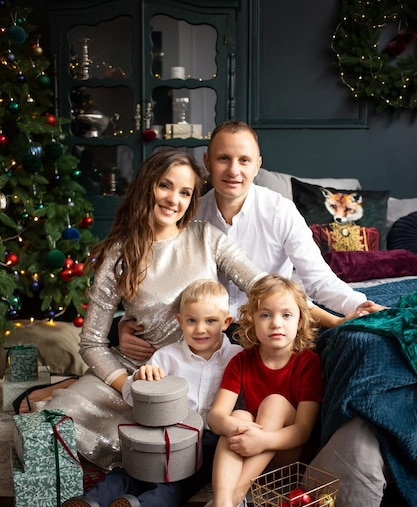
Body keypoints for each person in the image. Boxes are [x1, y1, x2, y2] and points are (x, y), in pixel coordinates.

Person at [41, 149, 265, 471]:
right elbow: (91, 342)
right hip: (135, 373)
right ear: (148, 184)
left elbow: (262, 286)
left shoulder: (206, 238)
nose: (174, 199)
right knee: (60, 419)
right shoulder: (118, 255)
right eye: (165, 185)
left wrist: (330, 316)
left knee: (174, 437)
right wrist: (131, 387)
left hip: (192, 370)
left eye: (185, 192)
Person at [117, 120, 383, 362]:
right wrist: (123, 323)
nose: (234, 170)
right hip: (204, 331)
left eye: (244, 160)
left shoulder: (281, 211)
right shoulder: (188, 212)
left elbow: (318, 278)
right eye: (223, 158)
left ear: (257, 165)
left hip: (269, 326)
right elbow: (157, 276)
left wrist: (357, 305)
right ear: (208, 162)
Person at [44, 279, 248, 507]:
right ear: (179, 321)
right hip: (160, 433)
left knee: (173, 486)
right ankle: (89, 506)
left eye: (210, 321)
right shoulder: (167, 357)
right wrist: (140, 379)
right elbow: (132, 396)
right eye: (191, 321)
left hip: (206, 441)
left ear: (226, 322)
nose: (200, 330)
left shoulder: (236, 357)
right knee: (130, 472)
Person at [178, 274, 323, 507]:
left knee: (274, 403)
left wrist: (264, 439)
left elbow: (304, 431)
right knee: (240, 414)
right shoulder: (241, 361)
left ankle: (221, 506)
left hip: (286, 457)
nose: (276, 323)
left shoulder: (308, 363)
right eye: (265, 315)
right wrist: (232, 424)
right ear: (252, 321)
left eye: (286, 315)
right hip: (250, 451)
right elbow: (216, 415)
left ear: (300, 322)